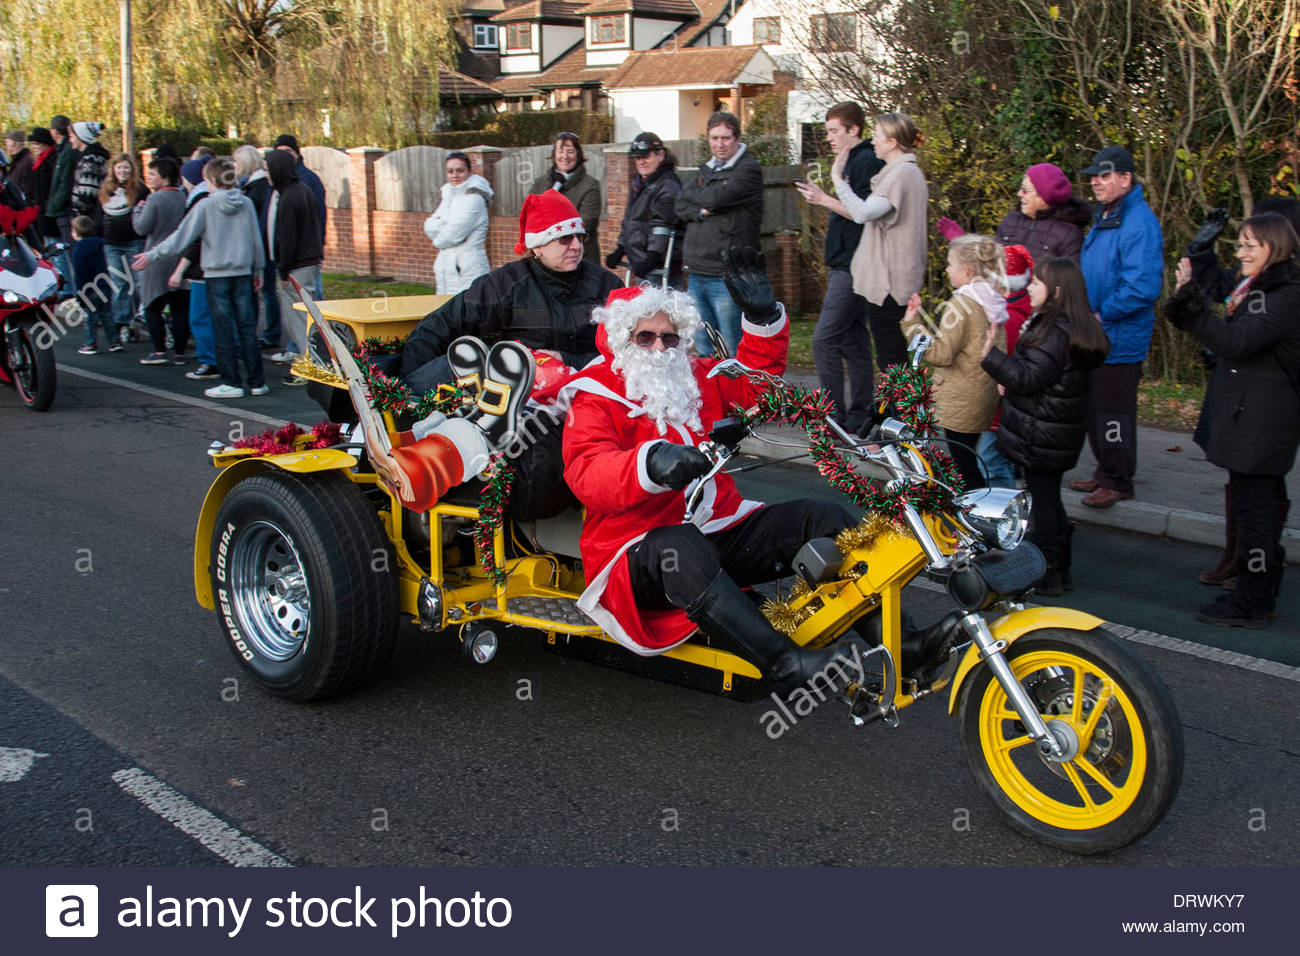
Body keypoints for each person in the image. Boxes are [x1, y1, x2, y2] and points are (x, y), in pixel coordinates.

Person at [558, 255, 865, 696]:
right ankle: (782, 662)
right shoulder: (596, 396)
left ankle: (902, 639)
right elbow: (587, 473)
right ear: (621, 341)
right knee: (679, 546)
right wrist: (650, 462)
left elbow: (756, 383)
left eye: (671, 338)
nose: (661, 349)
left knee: (823, 516)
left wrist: (762, 320)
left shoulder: (695, 377)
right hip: (635, 554)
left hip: (715, 529)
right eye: (646, 338)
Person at [1167, 212, 1300, 628]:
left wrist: (1188, 303)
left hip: (1265, 421)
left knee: (1256, 514)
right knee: (1254, 508)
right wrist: (1200, 253)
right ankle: (1254, 589)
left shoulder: (1286, 295)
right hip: (1254, 417)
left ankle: (1253, 601)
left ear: (1274, 248)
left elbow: (1237, 341)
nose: (1240, 253)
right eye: (1239, 244)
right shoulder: (1260, 286)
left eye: (1249, 246)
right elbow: (1223, 288)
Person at [400, 189, 620, 392]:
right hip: (521, 398)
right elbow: (443, 324)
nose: (576, 246)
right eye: (565, 238)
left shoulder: (606, 285)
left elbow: (634, 349)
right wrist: (407, 387)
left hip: (594, 389)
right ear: (537, 246)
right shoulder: (507, 283)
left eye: (580, 237)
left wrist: (566, 359)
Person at [980, 258, 1110, 594]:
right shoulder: (1069, 326)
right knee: (1049, 496)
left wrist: (990, 357)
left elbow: (1027, 377)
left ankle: (1048, 570)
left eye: (1036, 282)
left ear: (1056, 291)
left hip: (1042, 432)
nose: (1029, 287)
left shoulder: (1052, 331)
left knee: (1044, 500)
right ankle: (1059, 567)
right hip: (1056, 431)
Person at [1072, 145, 1165, 508]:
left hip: (1119, 335)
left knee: (1113, 412)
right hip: (1099, 333)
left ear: (1126, 179)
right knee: (1096, 408)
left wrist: (1102, 314)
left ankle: (1117, 480)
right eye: (1094, 176)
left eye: (1104, 175)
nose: (1096, 181)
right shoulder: (1108, 213)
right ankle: (1105, 470)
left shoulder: (1137, 222)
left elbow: (1143, 286)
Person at [133, 157, 267, 399]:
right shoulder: (246, 203)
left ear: (212, 180)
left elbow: (180, 238)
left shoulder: (205, 206)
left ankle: (232, 382)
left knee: (222, 328)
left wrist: (152, 255)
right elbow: (256, 239)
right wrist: (258, 269)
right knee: (247, 328)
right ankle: (257, 381)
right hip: (244, 272)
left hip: (217, 274)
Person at [795, 102, 884, 435]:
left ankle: (833, 419)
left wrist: (823, 199)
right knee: (854, 341)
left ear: (854, 130)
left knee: (823, 340)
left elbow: (863, 212)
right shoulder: (852, 160)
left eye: (834, 131)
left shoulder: (864, 161)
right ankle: (859, 418)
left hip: (854, 266)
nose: (828, 137)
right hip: (850, 262)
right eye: (828, 131)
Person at [900, 234, 1006, 489]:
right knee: (967, 457)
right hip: (981, 393)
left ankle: (977, 513)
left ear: (966, 270)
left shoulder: (962, 303)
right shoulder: (990, 300)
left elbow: (940, 353)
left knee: (963, 463)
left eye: (949, 264)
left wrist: (912, 325)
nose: (946, 270)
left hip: (962, 397)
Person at [843, 113, 928, 376]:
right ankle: (901, 411)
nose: (873, 141)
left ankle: (902, 414)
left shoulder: (901, 174)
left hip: (891, 283)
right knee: (894, 356)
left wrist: (838, 181)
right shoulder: (904, 172)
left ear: (892, 142)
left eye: (877, 135)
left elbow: (864, 213)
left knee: (893, 359)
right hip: (897, 278)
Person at [675, 112, 764, 356]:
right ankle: (714, 395)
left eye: (725, 138)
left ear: (737, 138)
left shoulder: (748, 170)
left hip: (727, 275)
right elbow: (680, 203)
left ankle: (740, 394)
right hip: (696, 271)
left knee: (732, 347)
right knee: (704, 346)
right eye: (714, 138)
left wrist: (703, 198)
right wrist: (703, 210)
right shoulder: (707, 169)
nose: (719, 144)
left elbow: (717, 197)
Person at [938, 162, 1091, 263]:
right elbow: (989, 261)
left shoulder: (1069, 235)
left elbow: (1069, 285)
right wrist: (963, 242)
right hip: (1002, 307)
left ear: (1043, 197)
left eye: (1025, 190)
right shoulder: (1012, 220)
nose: (1019, 194)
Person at [264, 148, 324, 385]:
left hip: (296, 267)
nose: (267, 175)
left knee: (299, 320)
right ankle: (312, 365)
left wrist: (283, 269)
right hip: (308, 263)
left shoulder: (289, 196)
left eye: (268, 169)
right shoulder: (302, 190)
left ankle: (309, 368)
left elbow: (287, 238)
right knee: (307, 318)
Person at [133, 156, 192, 365]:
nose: (148, 178)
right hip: (180, 257)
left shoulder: (154, 200)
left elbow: (142, 227)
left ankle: (159, 351)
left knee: (152, 306)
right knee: (180, 308)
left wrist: (137, 210)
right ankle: (180, 352)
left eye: (152, 175)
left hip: (156, 257)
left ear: (164, 177)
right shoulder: (184, 197)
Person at [606, 131, 684, 287]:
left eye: (646, 156)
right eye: (637, 158)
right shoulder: (640, 183)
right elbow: (630, 220)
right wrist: (620, 249)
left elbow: (662, 225)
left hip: (659, 267)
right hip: (644, 264)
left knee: (661, 309)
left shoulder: (667, 185)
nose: (641, 162)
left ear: (660, 155)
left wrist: (652, 258)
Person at [174, 156, 220, 379]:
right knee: (217, 316)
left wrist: (181, 269)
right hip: (218, 267)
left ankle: (209, 361)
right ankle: (218, 358)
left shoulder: (200, 201)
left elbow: (194, 239)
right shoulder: (214, 199)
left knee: (200, 316)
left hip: (203, 268)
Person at [424, 151, 493, 295]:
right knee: (445, 312)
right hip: (447, 265)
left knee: (469, 312)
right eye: (450, 171)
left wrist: (438, 237)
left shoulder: (475, 198)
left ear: (469, 171)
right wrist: (443, 225)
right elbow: (428, 226)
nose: (455, 175)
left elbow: (451, 236)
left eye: (460, 171)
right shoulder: (449, 195)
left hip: (468, 266)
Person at [98, 153, 149, 344]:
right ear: (113, 169)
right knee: (120, 284)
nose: (122, 171)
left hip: (133, 241)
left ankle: (142, 318)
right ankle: (122, 322)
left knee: (138, 282)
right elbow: (99, 216)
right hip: (112, 243)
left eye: (126, 168)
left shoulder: (140, 190)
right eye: (119, 167)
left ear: (132, 170)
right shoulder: (106, 190)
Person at [528, 132, 601, 265]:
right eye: (560, 151)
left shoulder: (590, 185)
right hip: (543, 259)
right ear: (554, 154)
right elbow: (530, 217)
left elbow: (587, 223)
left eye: (570, 151)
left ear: (578, 154)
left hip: (577, 259)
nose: (565, 156)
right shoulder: (540, 183)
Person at [234, 144, 280, 350]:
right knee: (265, 292)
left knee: (267, 291)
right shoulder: (250, 185)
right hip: (258, 247)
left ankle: (271, 333)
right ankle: (266, 332)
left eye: (236, 161)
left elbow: (258, 221)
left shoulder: (258, 186)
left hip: (261, 249)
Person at [273, 134, 327, 297]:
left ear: (296, 153)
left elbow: (318, 217)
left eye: (288, 151)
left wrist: (318, 247)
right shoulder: (278, 183)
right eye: (280, 152)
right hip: (291, 257)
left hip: (304, 256)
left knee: (310, 302)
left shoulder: (307, 181)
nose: (285, 156)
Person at [70, 215, 115, 354]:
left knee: (90, 317)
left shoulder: (79, 250)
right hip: (105, 284)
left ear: (76, 233)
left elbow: (80, 274)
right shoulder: (102, 243)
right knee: (107, 315)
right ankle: (114, 341)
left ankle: (91, 344)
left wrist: (80, 293)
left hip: (89, 288)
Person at [68, 121, 109, 220]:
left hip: (87, 219)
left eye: (72, 136)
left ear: (80, 137)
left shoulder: (91, 160)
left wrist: (76, 214)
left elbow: (87, 194)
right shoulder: (89, 158)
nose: (70, 140)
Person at [27, 128, 59, 241]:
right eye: (33, 144)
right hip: (42, 209)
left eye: (37, 144)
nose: (34, 147)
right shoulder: (41, 160)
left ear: (45, 144)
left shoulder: (51, 160)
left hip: (49, 210)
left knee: (55, 248)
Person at [4, 131, 35, 203]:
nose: (7, 147)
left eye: (8, 143)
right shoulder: (18, 161)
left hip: (21, 208)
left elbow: (29, 191)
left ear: (14, 144)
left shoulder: (27, 161)